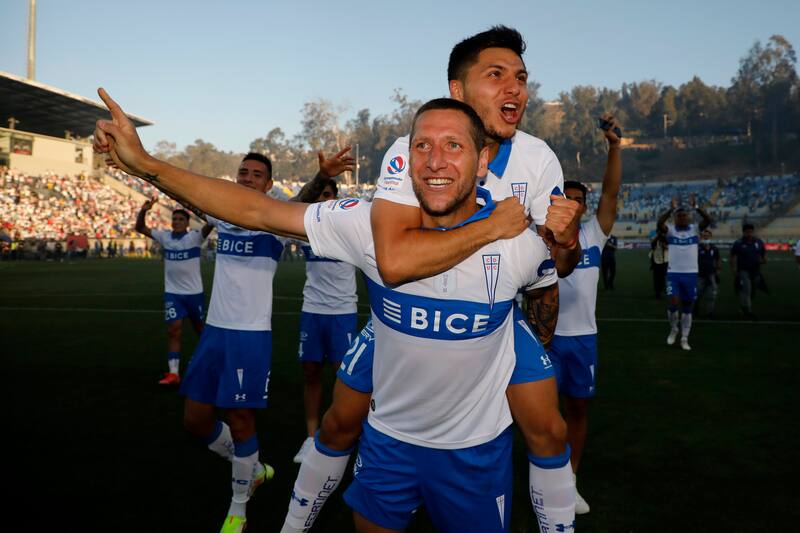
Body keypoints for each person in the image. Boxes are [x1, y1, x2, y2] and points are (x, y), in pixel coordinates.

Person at [93, 91, 575, 533]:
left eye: (453, 146)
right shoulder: (367, 226)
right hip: (387, 446)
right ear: (406, 161)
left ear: (483, 159)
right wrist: (146, 165)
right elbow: (257, 211)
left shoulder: (518, 241)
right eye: (422, 146)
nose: (435, 161)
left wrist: (563, 245)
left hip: (477, 454)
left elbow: (550, 283)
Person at [550, 114, 622, 515]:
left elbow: (611, 193)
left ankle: (569, 480)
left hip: (582, 339)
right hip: (544, 339)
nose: (574, 203)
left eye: (580, 198)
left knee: (576, 410)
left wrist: (614, 147)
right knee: (543, 415)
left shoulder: (595, 234)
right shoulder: (540, 237)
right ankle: (547, 476)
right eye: (567, 197)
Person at [289, 178, 358, 464]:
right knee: (311, 373)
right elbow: (278, 213)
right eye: (319, 195)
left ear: (336, 199)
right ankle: (310, 437)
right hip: (313, 311)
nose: (323, 199)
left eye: (328, 194)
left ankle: (342, 435)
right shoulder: (304, 231)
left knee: (345, 379)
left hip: (343, 313)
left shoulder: (350, 231)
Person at [135, 200, 212, 385]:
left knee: (201, 331)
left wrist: (207, 209)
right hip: (173, 294)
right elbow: (140, 228)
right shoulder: (165, 237)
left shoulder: (195, 237)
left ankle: (210, 364)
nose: (176, 221)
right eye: (174, 219)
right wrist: (143, 211)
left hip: (194, 294)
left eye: (180, 219)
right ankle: (174, 373)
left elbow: (209, 225)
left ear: (187, 223)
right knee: (173, 331)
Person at [656, 194, 712, 351]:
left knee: (688, 306)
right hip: (673, 274)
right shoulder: (671, 231)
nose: (682, 218)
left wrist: (696, 208)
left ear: (688, 217)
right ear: (675, 218)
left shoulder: (695, 230)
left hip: (690, 274)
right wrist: (670, 209)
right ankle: (674, 329)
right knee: (673, 303)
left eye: (684, 215)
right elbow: (660, 223)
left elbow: (708, 220)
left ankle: (684, 338)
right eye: (679, 216)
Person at [730, 223, 767, 319]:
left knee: (753, 291)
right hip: (743, 270)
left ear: (753, 232)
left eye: (751, 232)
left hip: (755, 271)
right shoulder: (738, 243)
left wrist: (763, 260)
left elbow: (763, 254)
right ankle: (748, 311)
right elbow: (732, 257)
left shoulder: (758, 242)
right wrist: (733, 269)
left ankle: (742, 309)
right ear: (744, 232)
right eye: (747, 232)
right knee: (746, 290)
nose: (749, 234)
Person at [696, 229, 721, 318]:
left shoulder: (714, 248)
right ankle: (695, 307)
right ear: (701, 237)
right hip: (699, 275)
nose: (706, 237)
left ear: (710, 237)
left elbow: (717, 259)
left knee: (712, 294)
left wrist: (718, 270)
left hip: (711, 274)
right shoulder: (696, 247)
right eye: (704, 236)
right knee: (697, 293)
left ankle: (710, 312)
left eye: (707, 236)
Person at [650, 228, 669, 298]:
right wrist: (658, 237)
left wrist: (665, 245)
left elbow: (669, 247)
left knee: (665, 277)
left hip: (665, 261)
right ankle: (657, 292)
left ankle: (666, 290)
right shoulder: (655, 239)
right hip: (656, 261)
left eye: (661, 232)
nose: (660, 233)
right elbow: (652, 244)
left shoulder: (666, 239)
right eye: (658, 232)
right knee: (657, 278)